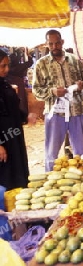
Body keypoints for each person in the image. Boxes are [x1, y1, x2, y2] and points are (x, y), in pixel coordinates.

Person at [32, 29, 83, 172]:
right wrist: (52, 91)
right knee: (52, 153)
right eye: (51, 44)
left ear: (62, 42)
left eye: (57, 43)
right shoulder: (41, 64)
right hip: (55, 114)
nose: (54, 47)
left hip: (77, 111)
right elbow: (36, 90)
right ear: (46, 44)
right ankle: (50, 181)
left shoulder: (75, 60)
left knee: (81, 152)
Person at [0, 50, 36, 190]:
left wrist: (25, 117)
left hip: (14, 137)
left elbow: (11, 108)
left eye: (7, 65)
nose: (7, 69)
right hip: (3, 141)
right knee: (6, 176)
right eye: (3, 66)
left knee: (18, 170)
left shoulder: (4, 83)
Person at [7, 48, 34, 118]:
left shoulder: (7, 68)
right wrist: (28, 55)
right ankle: (22, 116)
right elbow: (30, 62)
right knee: (21, 101)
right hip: (19, 85)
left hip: (9, 86)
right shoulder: (19, 67)